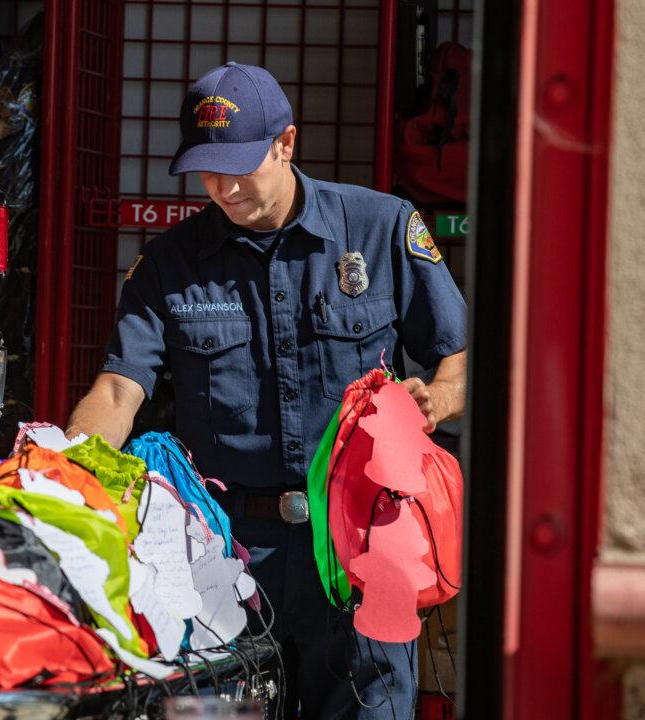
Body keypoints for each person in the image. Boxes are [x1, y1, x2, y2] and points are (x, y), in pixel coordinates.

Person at [65, 62, 467, 718]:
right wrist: (61, 471)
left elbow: (462, 354)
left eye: (239, 167)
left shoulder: (381, 228)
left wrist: (438, 401)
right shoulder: (170, 264)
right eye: (207, 171)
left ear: (286, 142)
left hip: (360, 550)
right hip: (224, 563)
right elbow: (117, 391)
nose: (223, 188)